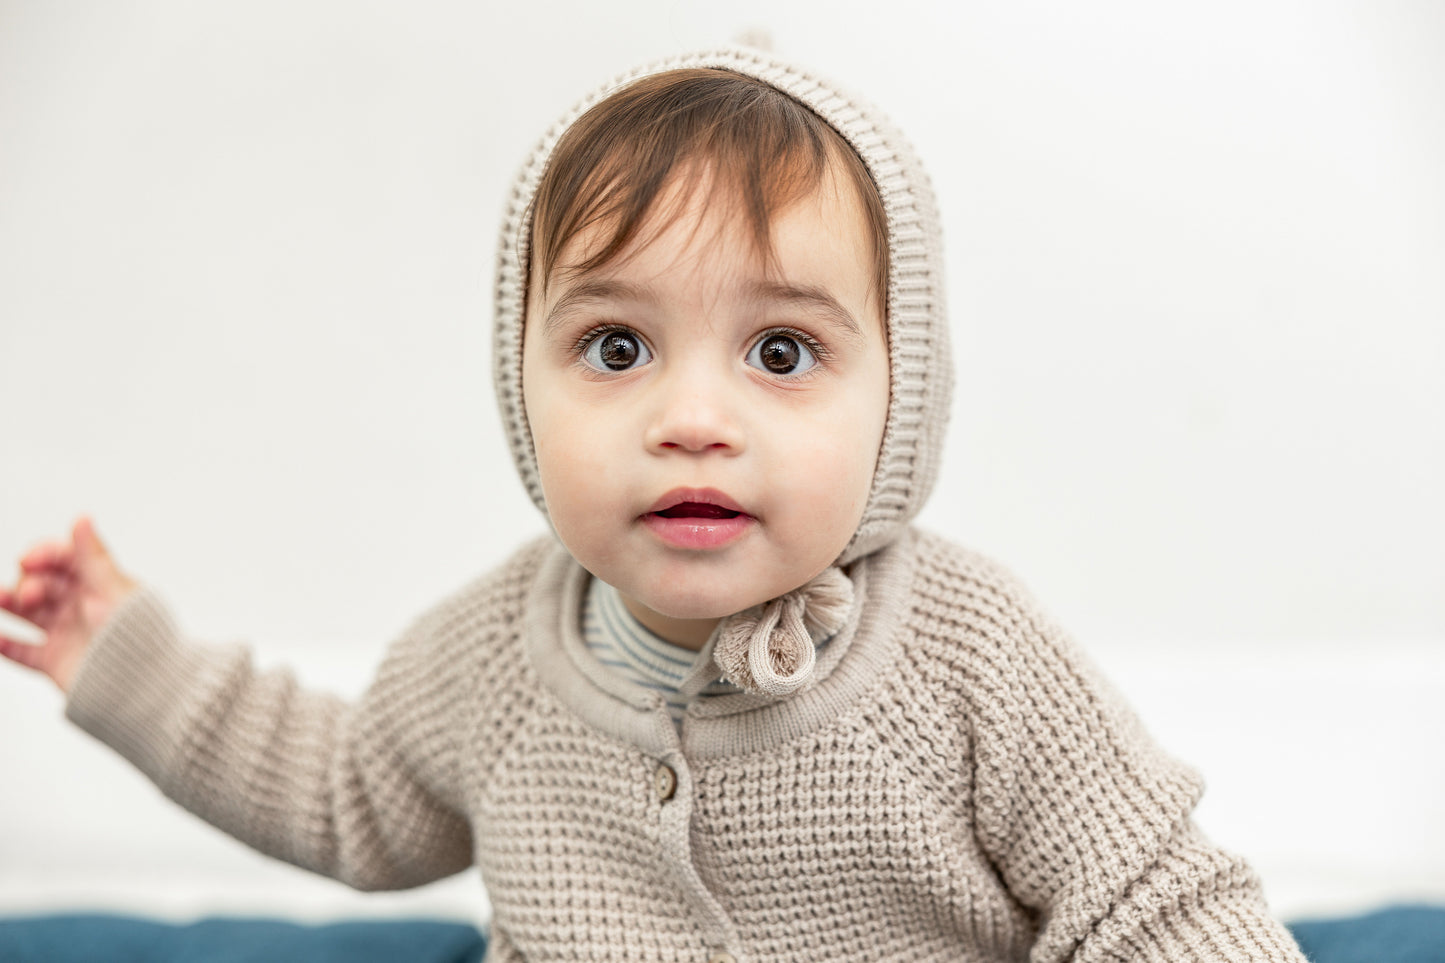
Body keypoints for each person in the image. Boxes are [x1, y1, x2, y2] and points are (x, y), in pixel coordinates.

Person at [0, 47, 1307, 961]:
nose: (692, 419)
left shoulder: (970, 653)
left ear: (901, 398)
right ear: (520, 381)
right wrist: (131, 664)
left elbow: (1156, 904)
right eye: (616, 347)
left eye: (780, 352)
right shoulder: (496, 654)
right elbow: (341, 790)